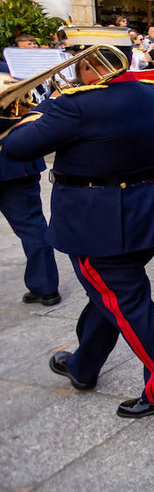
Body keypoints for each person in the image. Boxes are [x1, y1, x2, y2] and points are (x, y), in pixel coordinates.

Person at [4, 27, 154, 416]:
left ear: (88, 62)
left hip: (98, 220)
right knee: (107, 294)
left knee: (125, 301)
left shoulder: (75, 105)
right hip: (148, 208)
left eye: (74, 58)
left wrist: (42, 108)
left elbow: (16, 147)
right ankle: (83, 365)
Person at [0, 35, 59, 306]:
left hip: (14, 160)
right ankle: (46, 287)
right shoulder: (9, 72)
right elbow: (32, 114)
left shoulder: (10, 71)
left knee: (32, 226)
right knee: (33, 226)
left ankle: (44, 286)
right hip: (15, 162)